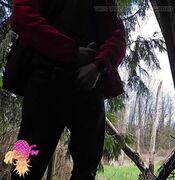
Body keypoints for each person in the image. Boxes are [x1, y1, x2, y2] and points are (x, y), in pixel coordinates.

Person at [7, 0, 126, 179]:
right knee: (24, 167)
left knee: (86, 169)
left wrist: (98, 65)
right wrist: (71, 51)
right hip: (46, 81)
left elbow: (117, 34)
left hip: (89, 85)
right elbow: (22, 17)